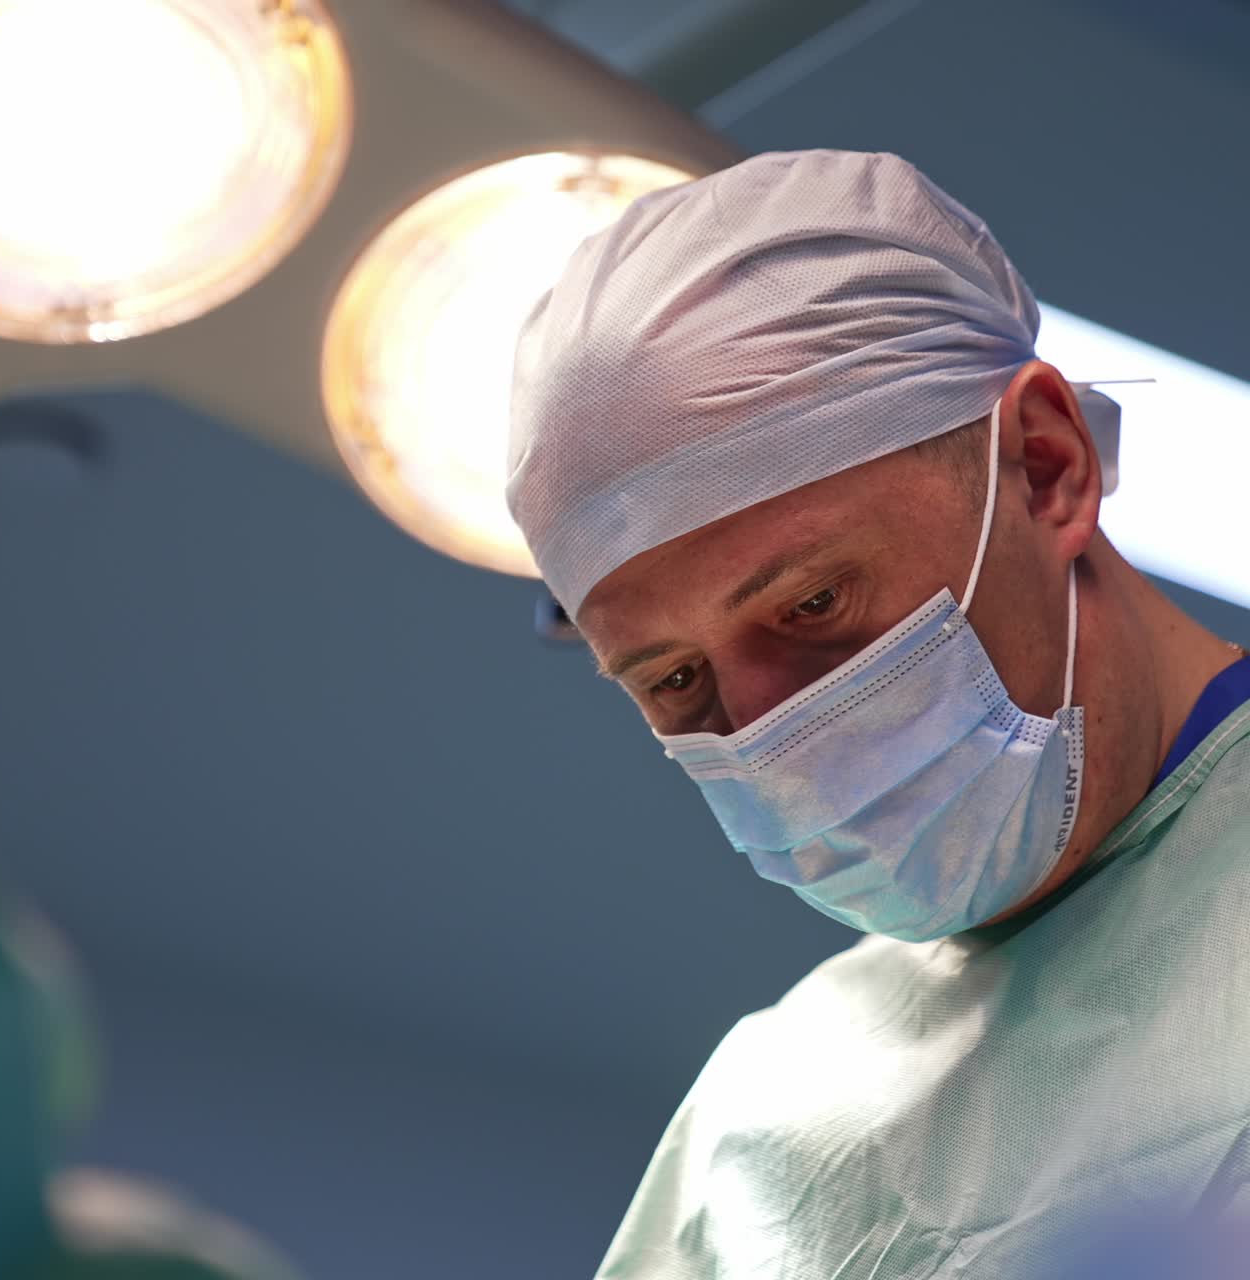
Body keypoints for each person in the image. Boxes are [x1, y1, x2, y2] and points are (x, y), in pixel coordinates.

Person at [505, 150, 1250, 1278]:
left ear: (1045, 466)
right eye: (674, 681)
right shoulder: (761, 1135)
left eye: (813, 604)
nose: (772, 736)